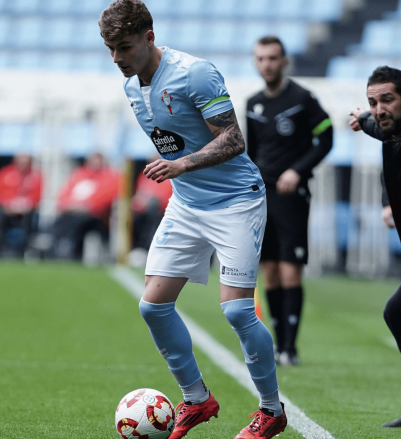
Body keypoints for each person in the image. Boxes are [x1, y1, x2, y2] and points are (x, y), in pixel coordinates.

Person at [100, 1, 286, 438]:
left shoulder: (194, 73)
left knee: (239, 311)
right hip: (187, 204)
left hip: (236, 201)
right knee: (153, 306)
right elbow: (173, 138)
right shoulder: (131, 86)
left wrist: (182, 165)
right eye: (109, 49)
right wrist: (178, 167)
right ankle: (198, 399)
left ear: (148, 38)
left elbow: (234, 139)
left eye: (123, 47)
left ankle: (271, 411)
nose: (116, 59)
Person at [246, 36, 333, 366]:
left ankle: (290, 348)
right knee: (269, 271)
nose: (266, 64)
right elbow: (251, 153)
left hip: (292, 197)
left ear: (284, 62)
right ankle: (277, 346)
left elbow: (326, 137)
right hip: (262, 197)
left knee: (289, 270)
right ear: (256, 63)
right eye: (261, 58)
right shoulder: (253, 104)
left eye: (272, 58)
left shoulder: (301, 98)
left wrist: (297, 170)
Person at [349, 65, 401, 429]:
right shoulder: (389, 131)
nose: (380, 109)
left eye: (388, 100)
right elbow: (376, 124)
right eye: (373, 101)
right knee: (396, 313)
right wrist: (362, 118)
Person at [50, 152, 120, 260]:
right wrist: (69, 206)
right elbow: (63, 195)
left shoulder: (110, 176)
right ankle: (55, 250)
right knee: (59, 222)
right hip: (72, 212)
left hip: (95, 217)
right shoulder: (79, 174)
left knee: (77, 222)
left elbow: (104, 200)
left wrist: (85, 207)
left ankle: (71, 252)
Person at [0, 153, 42, 256]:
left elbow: (37, 198)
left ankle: (21, 252)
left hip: (26, 212)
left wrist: (23, 205)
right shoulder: (5, 173)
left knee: (28, 225)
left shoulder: (36, 176)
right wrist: (7, 205)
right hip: (5, 210)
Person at [131, 166, 173, 250]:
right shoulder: (146, 174)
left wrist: (149, 201)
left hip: (160, 210)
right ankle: (135, 248)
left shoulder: (169, 175)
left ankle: (149, 247)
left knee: (152, 211)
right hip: (143, 209)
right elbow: (140, 192)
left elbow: (165, 197)